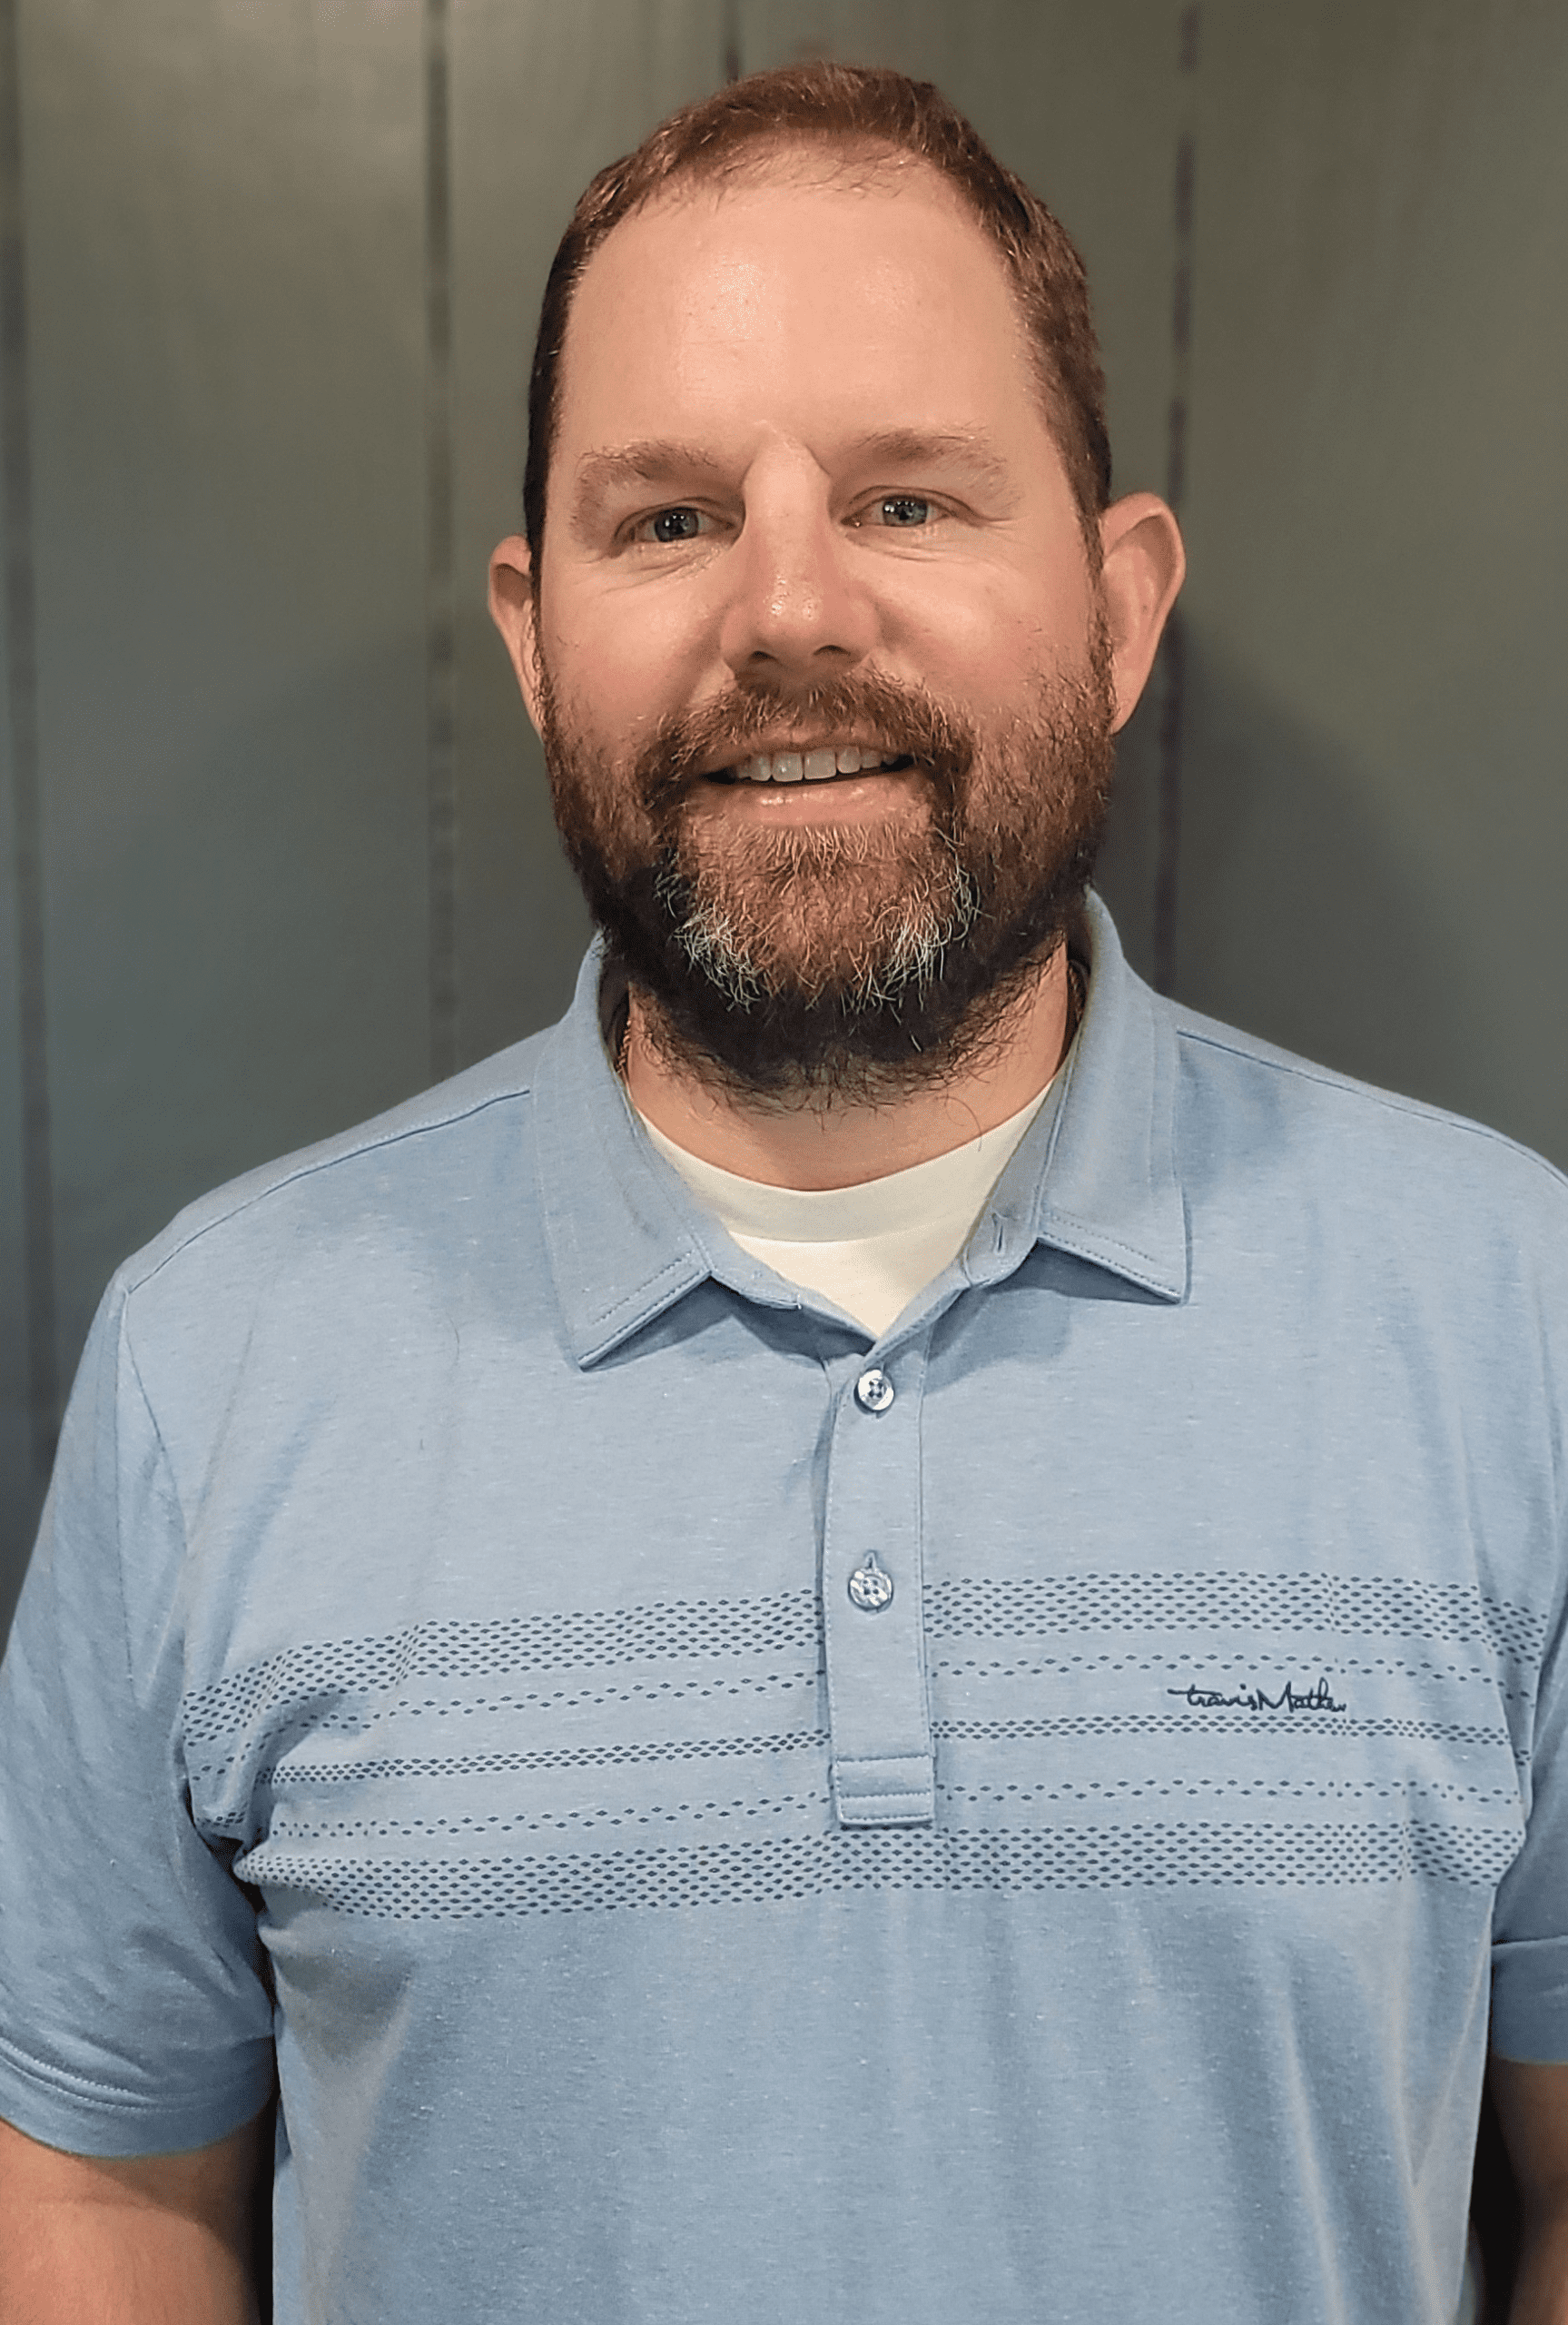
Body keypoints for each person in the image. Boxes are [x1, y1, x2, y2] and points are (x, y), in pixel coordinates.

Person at [0, 59, 1564, 2325]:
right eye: (667, 519)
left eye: (909, 499)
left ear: (1118, 606)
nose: (789, 608)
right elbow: (103, 2192)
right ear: (532, 633)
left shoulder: (1508, 1323)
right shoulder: (211, 1370)